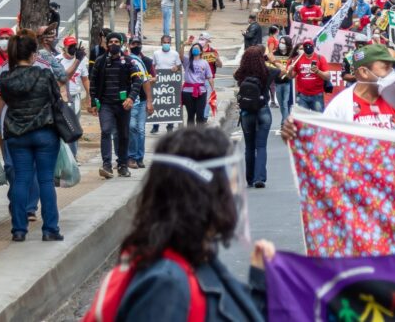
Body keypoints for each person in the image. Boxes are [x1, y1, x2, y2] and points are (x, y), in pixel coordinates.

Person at [112, 128, 272, 321]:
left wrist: (260, 282)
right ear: (201, 195)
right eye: (227, 184)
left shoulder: (196, 258)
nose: (233, 195)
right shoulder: (166, 288)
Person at [0, 29, 63, 242]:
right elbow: (57, 100)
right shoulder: (45, 73)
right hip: (45, 133)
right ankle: (50, 229)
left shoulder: (5, 75)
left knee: (20, 180)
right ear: (33, 54)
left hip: (17, 133)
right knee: (45, 180)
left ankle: (18, 230)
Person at [90, 32, 146, 179]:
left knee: (123, 134)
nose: (113, 44)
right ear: (106, 44)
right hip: (105, 104)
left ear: (121, 44)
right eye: (110, 42)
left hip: (123, 105)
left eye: (116, 41)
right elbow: (93, 83)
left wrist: (131, 98)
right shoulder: (100, 61)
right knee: (106, 131)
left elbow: (138, 81)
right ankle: (106, 165)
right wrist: (93, 102)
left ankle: (122, 164)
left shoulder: (128, 61)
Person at [323, 44, 395, 128]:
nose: (392, 74)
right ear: (364, 72)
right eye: (385, 67)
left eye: (392, 67)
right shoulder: (339, 106)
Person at [233, 46, 276, 188]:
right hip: (262, 110)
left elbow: (235, 74)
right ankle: (260, 178)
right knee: (261, 145)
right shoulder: (268, 72)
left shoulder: (241, 73)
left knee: (249, 147)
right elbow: (284, 72)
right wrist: (272, 60)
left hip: (246, 113)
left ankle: (250, 178)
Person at [126, 36, 155, 170]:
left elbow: (146, 81)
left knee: (141, 130)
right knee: (132, 127)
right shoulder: (125, 60)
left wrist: (149, 101)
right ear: (128, 45)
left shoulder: (145, 61)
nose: (135, 46)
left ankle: (139, 157)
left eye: (138, 43)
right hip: (130, 100)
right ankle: (131, 156)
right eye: (133, 44)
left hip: (142, 100)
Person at [150, 35, 181, 134]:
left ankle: (170, 125)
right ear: (161, 43)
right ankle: (155, 125)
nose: (166, 44)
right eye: (164, 42)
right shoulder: (156, 53)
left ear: (170, 43)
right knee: (158, 102)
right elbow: (153, 66)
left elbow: (179, 66)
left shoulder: (175, 54)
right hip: (159, 82)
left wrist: (176, 67)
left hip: (171, 83)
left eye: (168, 42)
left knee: (170, 103)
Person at [181, 42, 214, 127]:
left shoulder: (204, 63)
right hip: (188, 92)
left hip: (201, 91)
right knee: (190, 115)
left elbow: (209, 77)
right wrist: (183, 45)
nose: (195, 49)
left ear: (201, 51)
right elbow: (180, 56)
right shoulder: (187, 61)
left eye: (197, 48)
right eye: (193, 48)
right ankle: (190, 137)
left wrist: (213, 89)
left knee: (200, 115)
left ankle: (200, 136)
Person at [293, 39, 330, 112]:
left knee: (317, 119)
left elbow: (328, 76)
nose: (308, 47)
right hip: (302, 95)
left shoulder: (320, 58)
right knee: (303, 120)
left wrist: (317, 71)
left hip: (317, 95)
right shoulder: (297, 59)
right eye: (306, 46)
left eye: (310, 45)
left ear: (313, 46)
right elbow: (291, 76)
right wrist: (290, 69)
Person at [270, 36, 295, 125]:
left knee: (285, 103)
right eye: (280, 42)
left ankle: (285, 123)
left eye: (284, 43)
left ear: (288, 45)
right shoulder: (275, 54)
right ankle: (285, 119)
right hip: (277, 83)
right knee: (281, 104)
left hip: (287, 82)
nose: (281, 44)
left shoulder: (291, 55)